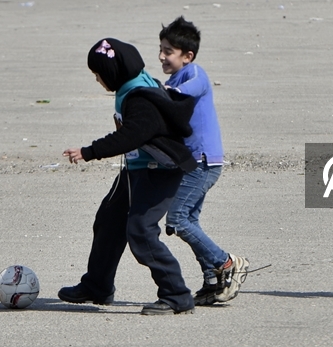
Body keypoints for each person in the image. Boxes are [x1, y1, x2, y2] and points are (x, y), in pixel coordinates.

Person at [60, 38, 199, 316]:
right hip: (137, 169)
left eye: (98, 74)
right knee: (109, 221)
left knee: (141, 230)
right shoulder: (132, 86)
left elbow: (131, 135)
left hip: (158, 172)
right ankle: (97, 285)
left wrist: (89, 151)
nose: (97, 80)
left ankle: (177, 295)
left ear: (113, 72)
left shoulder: (140, 97)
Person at [159, 17, 248, 306]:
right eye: (161, 49)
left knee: (177, 220)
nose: (162, 56)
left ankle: (226, 263)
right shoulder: (173, 79)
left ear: (188, 55)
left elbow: (193, 88)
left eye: (168, 51)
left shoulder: (194, 74)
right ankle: (213, 280)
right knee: (190, 220)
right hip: (192, 162)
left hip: (204, 161)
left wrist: (165, 94)